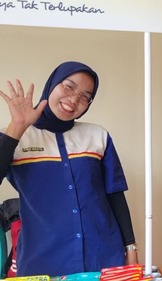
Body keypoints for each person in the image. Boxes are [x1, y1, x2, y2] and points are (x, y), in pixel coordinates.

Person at [0, 61, 138, 276]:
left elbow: (115, 195)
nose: (74, 100)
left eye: (85, 96)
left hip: (103, 254)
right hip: (43, 258)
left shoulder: (97, 136)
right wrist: (17, 126)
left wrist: (130, 248)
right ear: (52, 84)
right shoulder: (14, 137)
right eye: (68, 86)